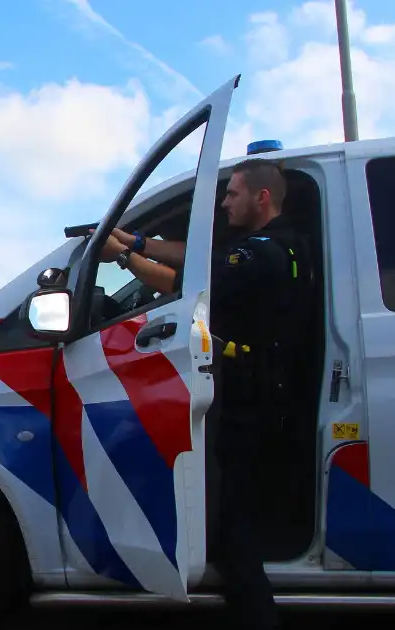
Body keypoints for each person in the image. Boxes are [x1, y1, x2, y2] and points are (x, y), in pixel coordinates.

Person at [99, 159, 311, 630]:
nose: (224, 201)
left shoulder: (265, 252)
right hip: (256, 399)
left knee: (229, 523)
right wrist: (134, 240)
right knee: (233, 513)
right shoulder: (269, 244)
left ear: (262, 198)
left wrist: (122, 257)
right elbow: (197, 256)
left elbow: (187, 283)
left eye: (233, 194)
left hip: (250, 406)